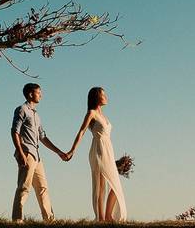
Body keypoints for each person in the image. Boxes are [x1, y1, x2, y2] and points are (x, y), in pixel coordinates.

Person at [66, 86, 127, 222]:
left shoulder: (104, 115)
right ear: (96, 97)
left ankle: (108, 216)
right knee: (100, 186)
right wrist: (72, 150)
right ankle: (101, 219)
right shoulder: (91, 113)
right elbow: (81, 131)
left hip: (108, 150)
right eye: (103, 95)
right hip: (98, 149)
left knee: (115, 184)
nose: (105, 97)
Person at [11, 83, 69, 222]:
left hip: (37, 156)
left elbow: (42, 137)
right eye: (38, 92)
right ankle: (17, 220)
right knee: (24, 187)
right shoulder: (22, 109)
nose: (41, 95)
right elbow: (14, 131)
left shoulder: (36, 115)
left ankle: (49, 220)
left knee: (43, 188)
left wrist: (59, 152)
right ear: (31, 94)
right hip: (27, 153)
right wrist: (21, 153)